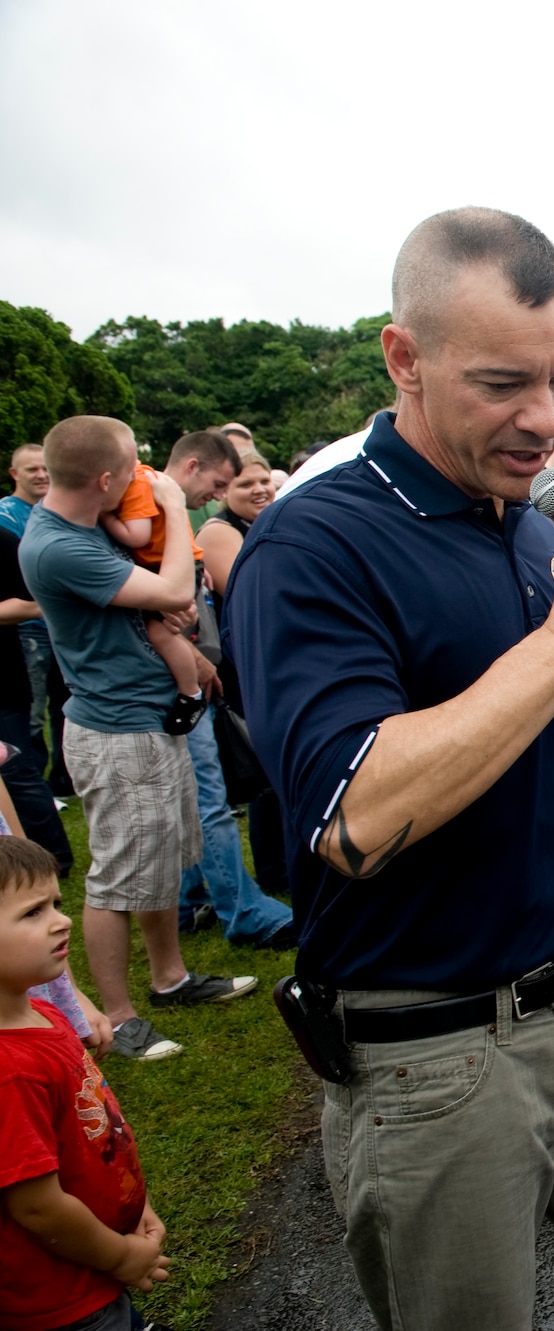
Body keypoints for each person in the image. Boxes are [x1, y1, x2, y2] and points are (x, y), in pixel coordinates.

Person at [223, 207, 554, 1330]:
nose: (544, 420)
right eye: (504, 382)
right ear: (404, 356)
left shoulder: (534, 523)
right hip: (431, 1047)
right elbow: (354, 815)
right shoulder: (313, 542)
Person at [22, 416, 255, 1061]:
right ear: (105, 479)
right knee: (119, 878)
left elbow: (152, 601)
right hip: (118, 732)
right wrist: (177, 507)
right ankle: (118, 1017)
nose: (143, 480)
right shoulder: (60, 545)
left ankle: (171, 979)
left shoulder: (83, 525)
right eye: (132, 467)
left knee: (160, 863)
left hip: (148, 719)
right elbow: (177, 584)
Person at [0, 837, 171, 1331]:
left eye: (55, 902)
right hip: (61, 1297)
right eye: (33, 913)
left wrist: (134, 1207)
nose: (63, 919)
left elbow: (95, 1135)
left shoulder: (46, 1015)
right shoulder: (10, 1071)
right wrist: (119, 1256)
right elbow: (35, 1206)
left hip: (92, 1264)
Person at [197, 451, 297, 914]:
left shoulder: (270, 521)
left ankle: (286, 864)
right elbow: (250, 587)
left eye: (264, 481)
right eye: (246, 485)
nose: (259, 490)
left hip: (279, 656)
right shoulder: (219, 532)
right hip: (245, 665)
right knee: (264, 771)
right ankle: (275, 868)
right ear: (225, 492)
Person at [99, 430, 241, 735]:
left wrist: (106, 517)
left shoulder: (152, 488)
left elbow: (138, 537)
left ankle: (190, 693)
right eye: (217, 485)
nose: (218, 496)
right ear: (191, 466)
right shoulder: (149, 486)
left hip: (174, 577)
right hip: (177, 572)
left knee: (161, 633)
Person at [0, 446, 58, 785]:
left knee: (63, 707)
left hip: (61, 625)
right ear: (14, 474)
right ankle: (31, 775)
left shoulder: (55, 511)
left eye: (45, 468)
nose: (40, 475)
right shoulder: (5, 516)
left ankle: (61, 779)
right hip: (27, 630)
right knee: (31, 713)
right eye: (31, 469)